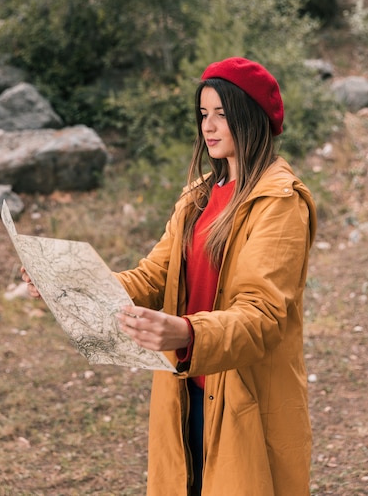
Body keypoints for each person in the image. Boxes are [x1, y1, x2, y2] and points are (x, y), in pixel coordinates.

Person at [24, 56, 317, 496]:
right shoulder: (198, 197)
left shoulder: (279, 203)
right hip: (184, 389)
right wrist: (65, 285)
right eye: (203, 114)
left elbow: (263, 315)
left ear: (251, 116)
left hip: (245, 395)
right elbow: (151, 276)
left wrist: (185, 332)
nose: (209, 126)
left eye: (222, 113)